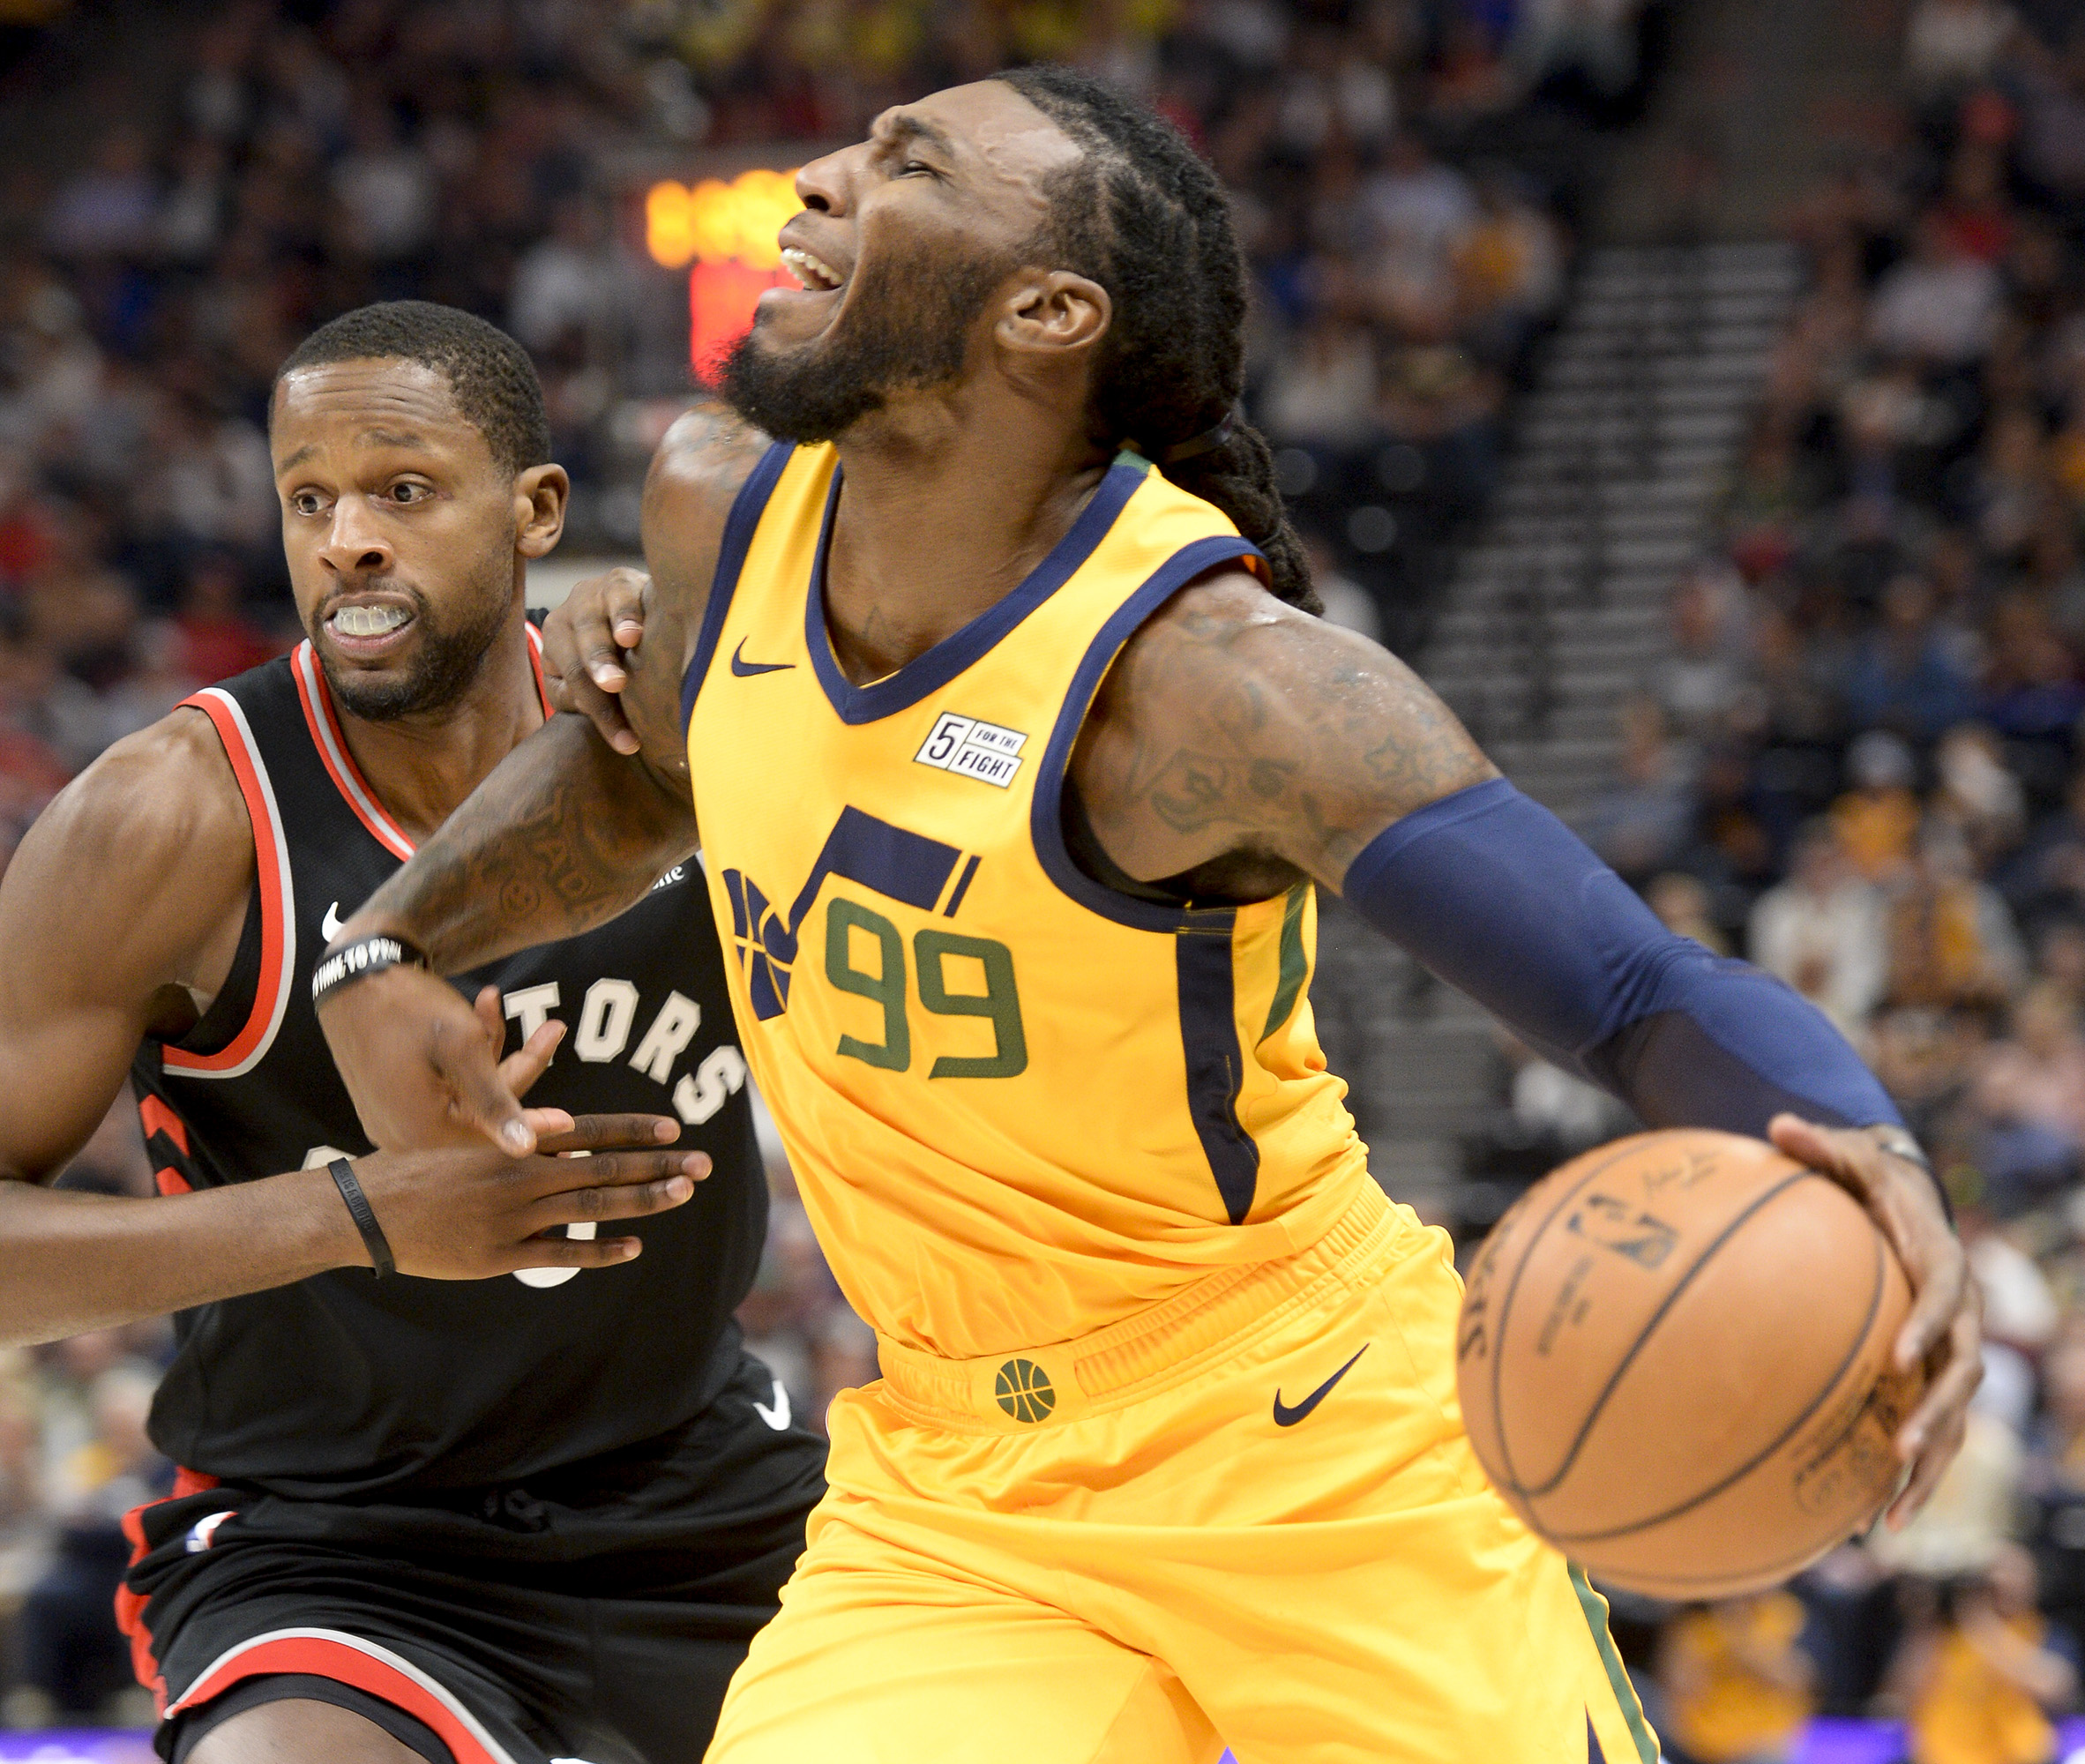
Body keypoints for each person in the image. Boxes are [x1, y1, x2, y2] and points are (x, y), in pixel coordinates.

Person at [314, 71, 1982, 1764]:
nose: (814, 179)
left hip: (1311, 1443)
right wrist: (389, 942)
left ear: (1046, 313)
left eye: (906, 166)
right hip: (955, 1484)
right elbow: (656, 769)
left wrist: (1881, 1158)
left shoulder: (1216, 691)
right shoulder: (714, 503)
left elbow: (1628, 987)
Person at [0, 301, 825, 1764]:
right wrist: (351, 1214)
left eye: (402, 490)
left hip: (709, 1496)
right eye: (306, 499)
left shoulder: (674, 731)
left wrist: (654, 615)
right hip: (341, 1546)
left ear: (537, 512)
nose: (347, 540)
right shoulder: (172, 818)